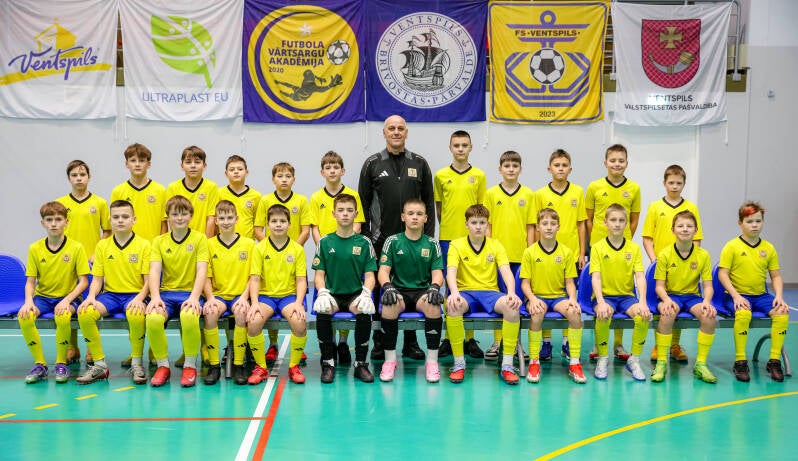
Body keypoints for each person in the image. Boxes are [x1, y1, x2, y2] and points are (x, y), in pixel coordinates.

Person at [359, 115, 435, 361]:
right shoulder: (372, 164)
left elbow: (428, 203)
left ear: (406, 132)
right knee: (381, 290)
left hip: (413, 241)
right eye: (391, 128)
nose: (396, 132)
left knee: (412, 287)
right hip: (380, 240)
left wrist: (427, 238)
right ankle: (380, 341)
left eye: (400, 128)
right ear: (384, 133)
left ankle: (410, 343)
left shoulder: (419, 163)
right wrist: (368, 240)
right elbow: (363, 205)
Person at [445, 204, 523, 385]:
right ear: (466, 224)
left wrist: (511, 292)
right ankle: (459, 363)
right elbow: (451, 271)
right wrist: (454, 293)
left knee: (512, 308)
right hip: (466, 293)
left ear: (487, 224)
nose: (478, 227)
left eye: (482, 222)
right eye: (474, 223)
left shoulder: (496, 245)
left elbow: (506, 271)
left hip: (490, 293)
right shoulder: (456, 245)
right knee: (453, 305)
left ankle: (507, 365)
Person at [76, 200, 151, 384]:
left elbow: (149, 281)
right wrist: (91, 297)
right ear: (110, 220)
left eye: (125, 217)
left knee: (135, 314)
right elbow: (97, 279)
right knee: (85, 312)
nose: (120, 220)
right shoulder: (102, 246)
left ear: (134, 219)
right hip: (111, 295)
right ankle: (99, 365)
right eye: (116, 217)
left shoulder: (144, 245)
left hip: (135, 294)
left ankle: (137, 363)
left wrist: (140, 299)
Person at [718, 201, 789, 382]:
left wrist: (779, 296)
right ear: (740, 223)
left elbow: (776, 276)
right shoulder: (731, 246)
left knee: (782, 312)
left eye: (758, 221)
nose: (754, 225)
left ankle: (774, 361)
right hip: (735, 296)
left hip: (761, 296)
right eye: (749, 221)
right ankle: (740, 361)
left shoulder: (769, 248)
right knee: (743, 313)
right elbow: (722, 274)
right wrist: (736, 296)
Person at [18, 202, 89, 384]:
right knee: (24, 316)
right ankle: (40, 365)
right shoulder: (35, 248)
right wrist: (28, 301)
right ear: (43, 223)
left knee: (63, 316)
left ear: (66, 222)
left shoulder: (76, 247)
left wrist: (67, 300)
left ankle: (61, 363)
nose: (54, 224)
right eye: (49, 220)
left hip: (69, 298)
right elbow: (30, 282)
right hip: (43, 298)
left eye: (58, 219)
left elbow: (83, 282)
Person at [377, 199, 445, 383]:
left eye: (419, 214)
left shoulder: (431, 243)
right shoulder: (392, 242)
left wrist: (435, 287)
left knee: (433, 305)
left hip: (422, 291)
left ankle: (432, 362)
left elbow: (437, 273)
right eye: (410, 213)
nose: (415, 217)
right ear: (403, 217)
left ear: (426, 218)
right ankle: (390, 361)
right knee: (389, 304)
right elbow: (383, 271)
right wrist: (387, 287)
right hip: (399, 290)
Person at [312, 194, 377, 383]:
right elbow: (319, 276)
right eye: (341, 210)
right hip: (332, 294)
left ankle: (360, 364)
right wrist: (322, 292)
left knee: (364, 310)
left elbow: (370, 276)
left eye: (349, 210)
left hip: (355, 294)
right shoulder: (324, 242)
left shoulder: (364, 242)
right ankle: (328, 363)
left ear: (356, 214)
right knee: (323, 309)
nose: (345, 214)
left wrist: (366, 293)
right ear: (334, 214)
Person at [145, 196, 209, 387]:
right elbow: (154, 271)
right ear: (168, 217)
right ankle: (163, 366)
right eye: (175, 214)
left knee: (189, 316)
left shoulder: (199, 239)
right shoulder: (159, 241)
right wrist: (155, 297)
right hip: (166, 295)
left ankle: (190, 365)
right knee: (153, 318)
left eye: (184, 214)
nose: (179, 218)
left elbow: (202, 270)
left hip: (190, 294)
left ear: (191, 216)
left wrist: (195, 297)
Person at [642, 164, 703, 364]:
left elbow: (697, 239)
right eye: (671, 182)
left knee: (680, 303)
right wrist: (655, 260)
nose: (674, 186)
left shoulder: (691, 208)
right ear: (664, 183)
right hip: (662, 265)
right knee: (663, 304)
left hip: (683, 267)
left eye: (678, 183)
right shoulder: (655, 207)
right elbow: (647, 237)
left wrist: (690, 260)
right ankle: (659, 345)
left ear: (684, 184)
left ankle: (675, 345)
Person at [585, 144, 641, 362]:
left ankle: (618, 343)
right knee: (600, 294)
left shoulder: (634, 188)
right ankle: (599, 345)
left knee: (622, 290)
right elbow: (589, 218)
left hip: (622, 248)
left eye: (621, 160)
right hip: (599, 247)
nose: (617, 164)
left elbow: (634, 220)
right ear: (605, 163)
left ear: (627, 163)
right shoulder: (594, 187)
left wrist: (624, 239)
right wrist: (597, 241)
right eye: (613, 160)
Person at [434, 130, 486, 360]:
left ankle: (469, 339)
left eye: (465, 145)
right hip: (448, 238)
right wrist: (448, 228)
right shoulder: (440, 175)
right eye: (457, 145)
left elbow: (481, 210)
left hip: (473, 239)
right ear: (450, 148)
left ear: (471, 147)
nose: (461, 149)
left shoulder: (479, 175)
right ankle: (449, 337)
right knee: (450, 286)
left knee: (470, 284)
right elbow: (439, 208)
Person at [310, 151, 365, 364]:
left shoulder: (352, 195)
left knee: (349, 294)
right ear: (322, 172)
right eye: (328, 167)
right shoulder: (316, 197)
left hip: (348, 253)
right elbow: (315, 227)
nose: (332, 171)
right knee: (327, 299)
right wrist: (325, 248)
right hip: (328, 253)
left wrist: (346, 245)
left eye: (336, 167)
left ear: (343, 171)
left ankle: (343, 342)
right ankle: (330, 342)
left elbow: (357, 224)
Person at [651, 211, 717, 383]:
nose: (685, 229)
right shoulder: (665, 254)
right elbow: (659, 287)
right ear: (673, 230)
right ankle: (661, 363)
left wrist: (707, 302)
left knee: (709, 317)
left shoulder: (703, 255)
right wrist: (667, 300)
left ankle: (700, 364)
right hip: (670, 295)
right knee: (667, 313)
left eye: (689, 226)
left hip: (692, 297)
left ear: (696, 230)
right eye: (680, 226)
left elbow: (708, 286)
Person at [254, 162, 310, 365]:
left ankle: (297, 349)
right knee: (267, 303)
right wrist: (271, 249)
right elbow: (258, 229)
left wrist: (289, 250)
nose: (284, 179)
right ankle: (272, 344)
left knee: (296, 309)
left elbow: (305, 230)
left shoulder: (301, 200)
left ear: (294, 179)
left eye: (288, 176)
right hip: (271, 258)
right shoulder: (265, 200)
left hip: (292, 258)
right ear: (273, 179)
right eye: (280, 176)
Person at [520, 208, 585, 384]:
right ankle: (534, 362)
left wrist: (572, 299)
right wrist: (532, 299)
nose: (549, 227)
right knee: (537, 313)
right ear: (538, 227)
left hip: (558, 297)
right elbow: (525, 283)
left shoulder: (566, 252)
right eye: (545, 223)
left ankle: (574, 362)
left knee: (575, 313)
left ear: (558, 227)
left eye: (553, 224)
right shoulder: (530, 252)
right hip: (537, 296)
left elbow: (570, 282)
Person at [56, 159, 111, 364]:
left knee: (89, 305)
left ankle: (91, 348)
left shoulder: (100, 203)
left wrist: (97, 253)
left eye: (82, 174)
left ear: (89, 177)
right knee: (68, 303)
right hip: (68, 262)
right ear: (68, 178)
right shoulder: (61, 203)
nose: (79, 178)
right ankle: (72, 347)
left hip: (91, 263)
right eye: (74, 175)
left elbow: (108, 231)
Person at [535, 149, 587, 360]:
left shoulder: (577, 192)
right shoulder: (540, 194)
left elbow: (581, 224)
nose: (560, 169)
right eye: (557, 165)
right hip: (546, 255)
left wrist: (582, 252)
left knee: (568, 299)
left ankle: (567, 341)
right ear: (549, 169)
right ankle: (546, 342)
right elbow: (536, 225)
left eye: (564, 165)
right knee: (545, 295)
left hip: (571, 255)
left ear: (570, 169)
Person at [248, 204, 309, 385]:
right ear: (267, 224)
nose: (278, 224)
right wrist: (254, 302)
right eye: (274, 221)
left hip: (288, 297)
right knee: (253, 322)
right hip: (265, 297)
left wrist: (298, 303)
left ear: (289, 224)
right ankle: (261, 367)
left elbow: (301, 280)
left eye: (282, 221)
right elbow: (254, 278)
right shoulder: (260, 248)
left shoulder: (297, 249)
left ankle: (294, 366)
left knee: (299, 322)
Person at [483, 150, 535, 361]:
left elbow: (531, 227)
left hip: (520, 257)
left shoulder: (529, 194)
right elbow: (487, 225)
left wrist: (530, 253)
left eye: (515, 166)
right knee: (500, 301)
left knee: (516, 302)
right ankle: (498, 341)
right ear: (500, 169)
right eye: (507, 166)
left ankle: (515, 344)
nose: (511, 169)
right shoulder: (491, 194)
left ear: (520, 169)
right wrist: (489, 251)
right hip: (498, 258)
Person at [589, 204, 650, 381]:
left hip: (626, 297)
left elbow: (640, 276)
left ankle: (634, 360)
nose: (617, 224)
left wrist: (643, 302)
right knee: (603, 314)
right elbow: (596, 278)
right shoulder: (598, 248)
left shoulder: (634, 248)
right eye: (613, 220)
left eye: (621, 220)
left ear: (626, 223)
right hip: (605, 297)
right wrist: (600, 302)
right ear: (605, 222)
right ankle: (602, 358)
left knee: (643, 316)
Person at [201, 200, 254, 385]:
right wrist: (210, 298)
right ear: (215, 220)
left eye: (230, 217)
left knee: (241, 313)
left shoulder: (249, 244)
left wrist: (245, 297)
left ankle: (239, 364)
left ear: (237, 219)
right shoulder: (208, 244)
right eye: (221, 218)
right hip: (219, 296)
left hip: (241, 295)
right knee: (210, 313)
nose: (226, 222)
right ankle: (214, 365)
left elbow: (254, 276)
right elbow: (205, 277)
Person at [110, 143, 167, 241]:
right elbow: (115, 225)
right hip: (127, 247)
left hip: (152, 247)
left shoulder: (160, 190)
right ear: (126, 164)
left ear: (148, 164)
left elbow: (164, 224)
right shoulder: (118, 191)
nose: (137, 164)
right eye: (133, 160)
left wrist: (160, 247)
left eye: (141, 160)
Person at [165, 146, 218, 238]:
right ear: (182, 166)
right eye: (188, 162)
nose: (193, 166)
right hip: (181, 240)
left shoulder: (211, 187)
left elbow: (211, 218)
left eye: (197, 162)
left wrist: (206, 242)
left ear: (204, 165)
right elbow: (171, 219)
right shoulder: (173, 188)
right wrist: (178, 240)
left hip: (202, 240)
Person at [218, 155, 261, 240]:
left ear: (246, 172)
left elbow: (257, 226)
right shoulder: (219, 193)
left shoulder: (256, 196)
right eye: (232, 170)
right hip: (223, 243)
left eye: (240, 169)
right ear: (226, 174)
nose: (236, 172)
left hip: (248, 245)